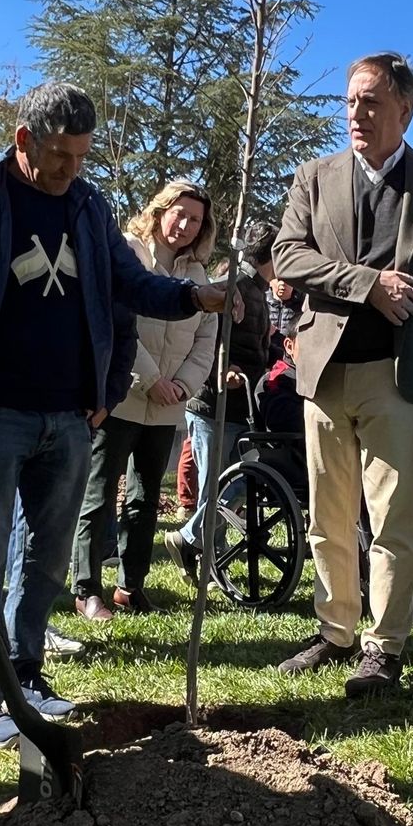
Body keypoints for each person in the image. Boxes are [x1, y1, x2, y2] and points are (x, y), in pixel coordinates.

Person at [0, 81, 224, 749]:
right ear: (24, 140)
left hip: (71, 417)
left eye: (82, 156)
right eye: (60, 156)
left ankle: (26, 671)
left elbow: (128, 285)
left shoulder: (87, 206)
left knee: (47, 561)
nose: (72, 170)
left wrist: (193, 295)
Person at [273, 51, 413, 697]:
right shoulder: (314, 176)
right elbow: (287, 255)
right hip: (325, 371)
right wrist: (366, 285)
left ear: (405, 110)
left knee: (394, 522)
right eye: (351, 100)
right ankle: (334, 631)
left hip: (399, 375)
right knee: (327, 517)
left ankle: (383, 648)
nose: (356, 113)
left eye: (371, 102)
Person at [73, 181, 217, 616]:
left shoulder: (198, 273)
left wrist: (184, 385)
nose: (186, 225)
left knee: (145, 498)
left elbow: (206, 337)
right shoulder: (130, 253)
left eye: (195, 220)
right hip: (121, 398)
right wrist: (149, 379)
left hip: (169, 404)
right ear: (160, 211)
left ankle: (130, 586)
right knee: (99, 493)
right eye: (180, 214)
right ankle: (86, 587)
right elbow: (118, 325)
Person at [165, 220, 273, 584]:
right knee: (215, 484)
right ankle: (198, 546)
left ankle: (195, 542)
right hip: (214, 405)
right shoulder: (235, 286)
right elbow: (205, 338)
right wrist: (218, 374)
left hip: (243, 405)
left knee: (238, 481)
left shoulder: (258, 290)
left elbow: (257, 346)